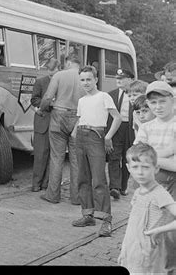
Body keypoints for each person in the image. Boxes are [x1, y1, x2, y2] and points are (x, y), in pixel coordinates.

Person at [70, 65, 122, 237]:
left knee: (99, 179)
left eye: (89, 79)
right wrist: (74, 133)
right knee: (82, 178)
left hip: (96, 136)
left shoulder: (104, 96)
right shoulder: (82, 100)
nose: (86, 83)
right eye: (82, 80)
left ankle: (106, 220)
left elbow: (117, 117)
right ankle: (88, 215)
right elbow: (80, 120)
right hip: (81, 138)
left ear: (96, 79)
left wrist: (108, 136)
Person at [118, 142, 176, 275]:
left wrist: (158, 230)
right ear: (128, 168)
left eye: (145, 167)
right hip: (132, 252)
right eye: (135, 167)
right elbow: (132, 225)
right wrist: (124, 251)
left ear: (156, 168)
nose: (140, 172)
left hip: (149, 256)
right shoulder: (138, 192)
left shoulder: (159, 194)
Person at [38, 54, 85, 205]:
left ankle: (53, 195)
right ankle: (76, 197)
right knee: (76, 160)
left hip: (59, 116)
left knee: (57, 157)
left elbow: (47, 97)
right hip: (78, 118)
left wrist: (42, 109)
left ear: (69, 63)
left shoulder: (59, 75)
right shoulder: (85, 77)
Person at [30, 58, 60, 192]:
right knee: (40, 155)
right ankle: (36, 184)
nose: (52, 75)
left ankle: (46, 184)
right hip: (43, 121)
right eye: (50, 72)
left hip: (57, 122)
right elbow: (34, 99)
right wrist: (47, 103)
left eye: (54, 72)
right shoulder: (40, 82)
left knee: (53, 156)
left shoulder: (62, 82)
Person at [106, 68, 135, 200]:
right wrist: (108, 135)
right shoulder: (111, 95)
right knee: (114, 157)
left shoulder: (136, 94)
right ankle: (114, 187)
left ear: (130, 79)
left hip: (130, 129)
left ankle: (123, 186)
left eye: (122, 78)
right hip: (116, 129)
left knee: (127, 158)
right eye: (117, 78)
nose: (119, 80)